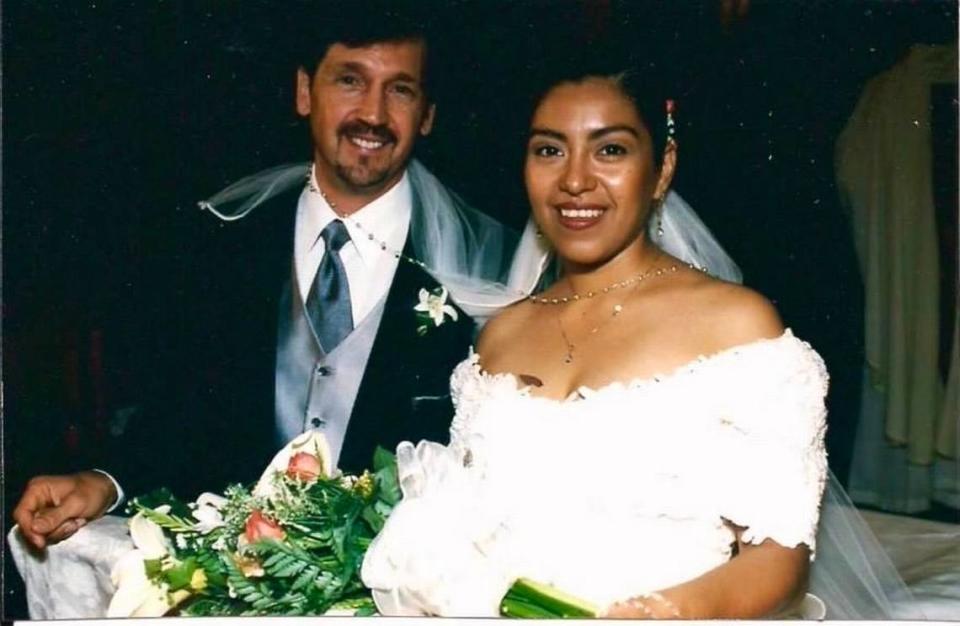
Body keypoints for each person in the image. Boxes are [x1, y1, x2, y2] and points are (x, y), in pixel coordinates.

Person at [359, 61, 916, 618]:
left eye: (610, 151)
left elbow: (777, 557)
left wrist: (657, 614)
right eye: (550, 150)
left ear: (662, 168)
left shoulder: (736, 327)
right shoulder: (499, 338)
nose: (575, 180)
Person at [12, 4, 517, 553]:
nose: (372, 114)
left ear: (428, 115)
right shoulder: (219, 242)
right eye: (350, 80)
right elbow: (171, 417)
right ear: (305, 93)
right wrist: (102, 484)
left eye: (400, 90)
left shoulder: (486, 268)